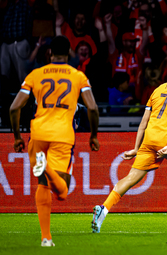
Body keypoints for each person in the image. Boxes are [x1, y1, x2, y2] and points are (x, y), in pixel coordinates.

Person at [9, 36, 100, 246]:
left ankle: (46, 238)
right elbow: (93, 108)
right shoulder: (78, 76)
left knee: (43, 185)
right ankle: (47, 167)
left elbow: (14, 107)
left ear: (49, 53)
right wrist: (94, 135)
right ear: (69, 53)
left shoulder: (36, 74)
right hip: (62, 135)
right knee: (63, 193)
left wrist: (16, 136)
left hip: (38, 133)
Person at [91, 61, 167, 233]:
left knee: (131, 177)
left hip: (149, 139)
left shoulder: (158, 90)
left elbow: (143, 121)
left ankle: (103, 209)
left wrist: (136, 148)